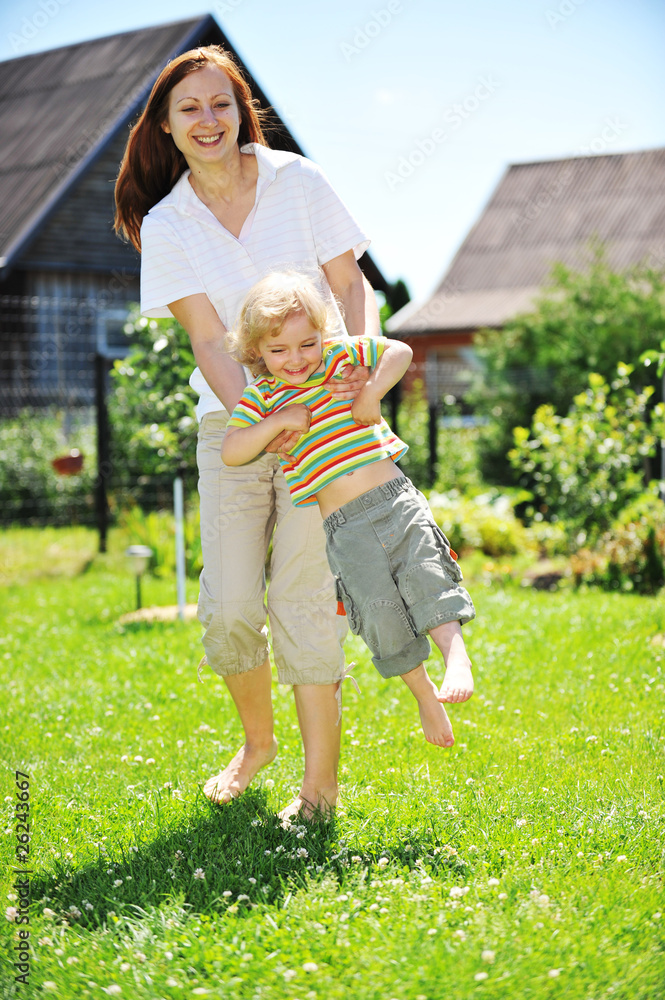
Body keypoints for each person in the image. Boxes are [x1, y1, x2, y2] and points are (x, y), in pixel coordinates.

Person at [114, 45, 380, 821]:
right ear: (165, 127)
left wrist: (354, 373)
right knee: (230, 606)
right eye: (188, 108)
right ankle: (257, 742)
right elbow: (206, 339)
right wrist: (263, 421)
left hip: (326, 418)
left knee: (302, 595)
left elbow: (348, 283)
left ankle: (319, 791)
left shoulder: (297, 181)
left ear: (241, 112)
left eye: (220, 104)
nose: (207, 120)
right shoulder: (168, 225)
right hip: (231, 422)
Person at [223, 272, 476, 747]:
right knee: (379, 613)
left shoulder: (342, 358)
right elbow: (233, 449)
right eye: (279, 351)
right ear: (257, 351)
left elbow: (398, 351)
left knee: (426, 575)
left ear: (324, 335)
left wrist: (370, 393)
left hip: (395, 500)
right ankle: (424, 696)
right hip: (343, 527)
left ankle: (455, 654)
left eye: (307, 343)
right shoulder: (261, 398)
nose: (296, 359)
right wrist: (275, 423)